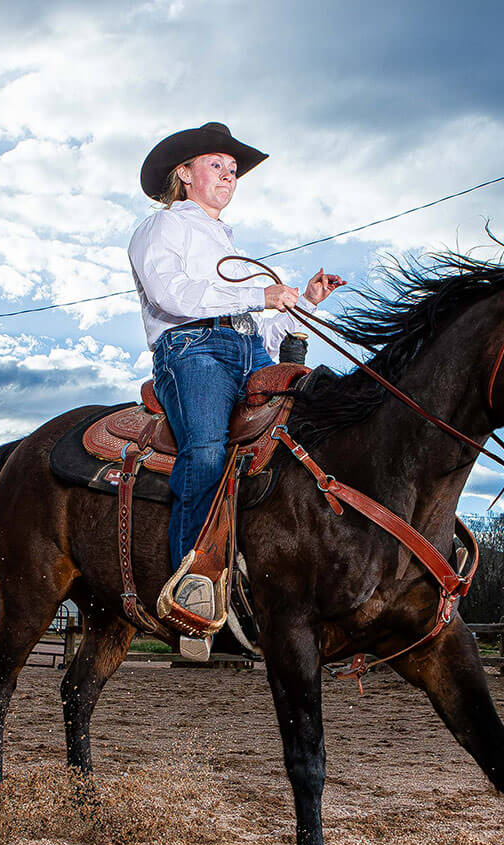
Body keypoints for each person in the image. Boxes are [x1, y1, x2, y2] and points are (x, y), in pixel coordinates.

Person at [129, 122, 344, 656]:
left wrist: (304, 304)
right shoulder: (161, 229)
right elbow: (172, 295)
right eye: (216, 165)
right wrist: (256, 293)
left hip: (246, 347)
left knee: (301, 443)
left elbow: (257, 326)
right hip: (191, 351)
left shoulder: (227, 243)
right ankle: (191, 588)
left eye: (232, 169)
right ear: (184, 174)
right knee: (204, 450)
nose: (229, 175)